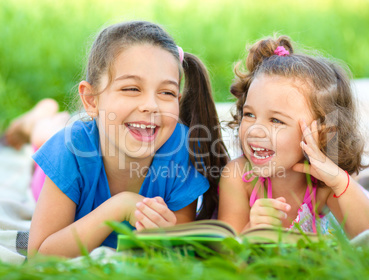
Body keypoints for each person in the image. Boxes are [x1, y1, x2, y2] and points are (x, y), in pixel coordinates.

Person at [27, 20, 228, 258]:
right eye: (132, 88)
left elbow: (176, 248)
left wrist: (164, 233)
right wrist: (119, 207)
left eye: (166, 93)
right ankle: (39, 116)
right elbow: (39, 258)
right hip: (53, 177)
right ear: (91, 100)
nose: (151, 106)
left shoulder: (182, 151)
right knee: (44, 135)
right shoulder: (69, 150)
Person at [218, 35, 369, 239]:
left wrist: (338, 181)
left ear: (323, 133)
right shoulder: (239, 177)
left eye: (276, 120)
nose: (255, 130)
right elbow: (227, 251)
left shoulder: (325, 183)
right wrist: (249, 231)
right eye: (249, 114)